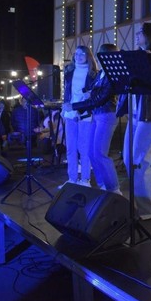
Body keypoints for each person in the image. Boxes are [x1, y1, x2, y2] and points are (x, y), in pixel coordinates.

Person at [117, 23, 151, 219]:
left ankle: (150, 208)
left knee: (139, 161)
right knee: (128, 159)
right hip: (134, 116)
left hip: (149, 116)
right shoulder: (136, 58)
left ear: (150, 36)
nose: (137, 35)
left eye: (141, 32)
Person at [73, 43, 122, 195]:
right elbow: (93, 95)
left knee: (100, 153)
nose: (99, 57)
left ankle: (114, 189)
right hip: (97, 115)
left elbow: (99, 98)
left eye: (102, 54)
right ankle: (103, 185)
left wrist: (75, 106)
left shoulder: (112, 74)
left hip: (107, 115)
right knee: (91, 153)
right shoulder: (101, 73)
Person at [62, 45, 98, 188]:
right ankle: (72, 178)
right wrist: (64, 109)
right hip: (70, 113)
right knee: (70, 148)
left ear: (88, 56)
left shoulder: (93, 74)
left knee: (84, 148)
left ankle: (85, 179)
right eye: (76, 53)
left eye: (82, 54)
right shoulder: (69, 72)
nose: (78, 56)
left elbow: (92, 96)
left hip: (85, 115)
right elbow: (67, 93)